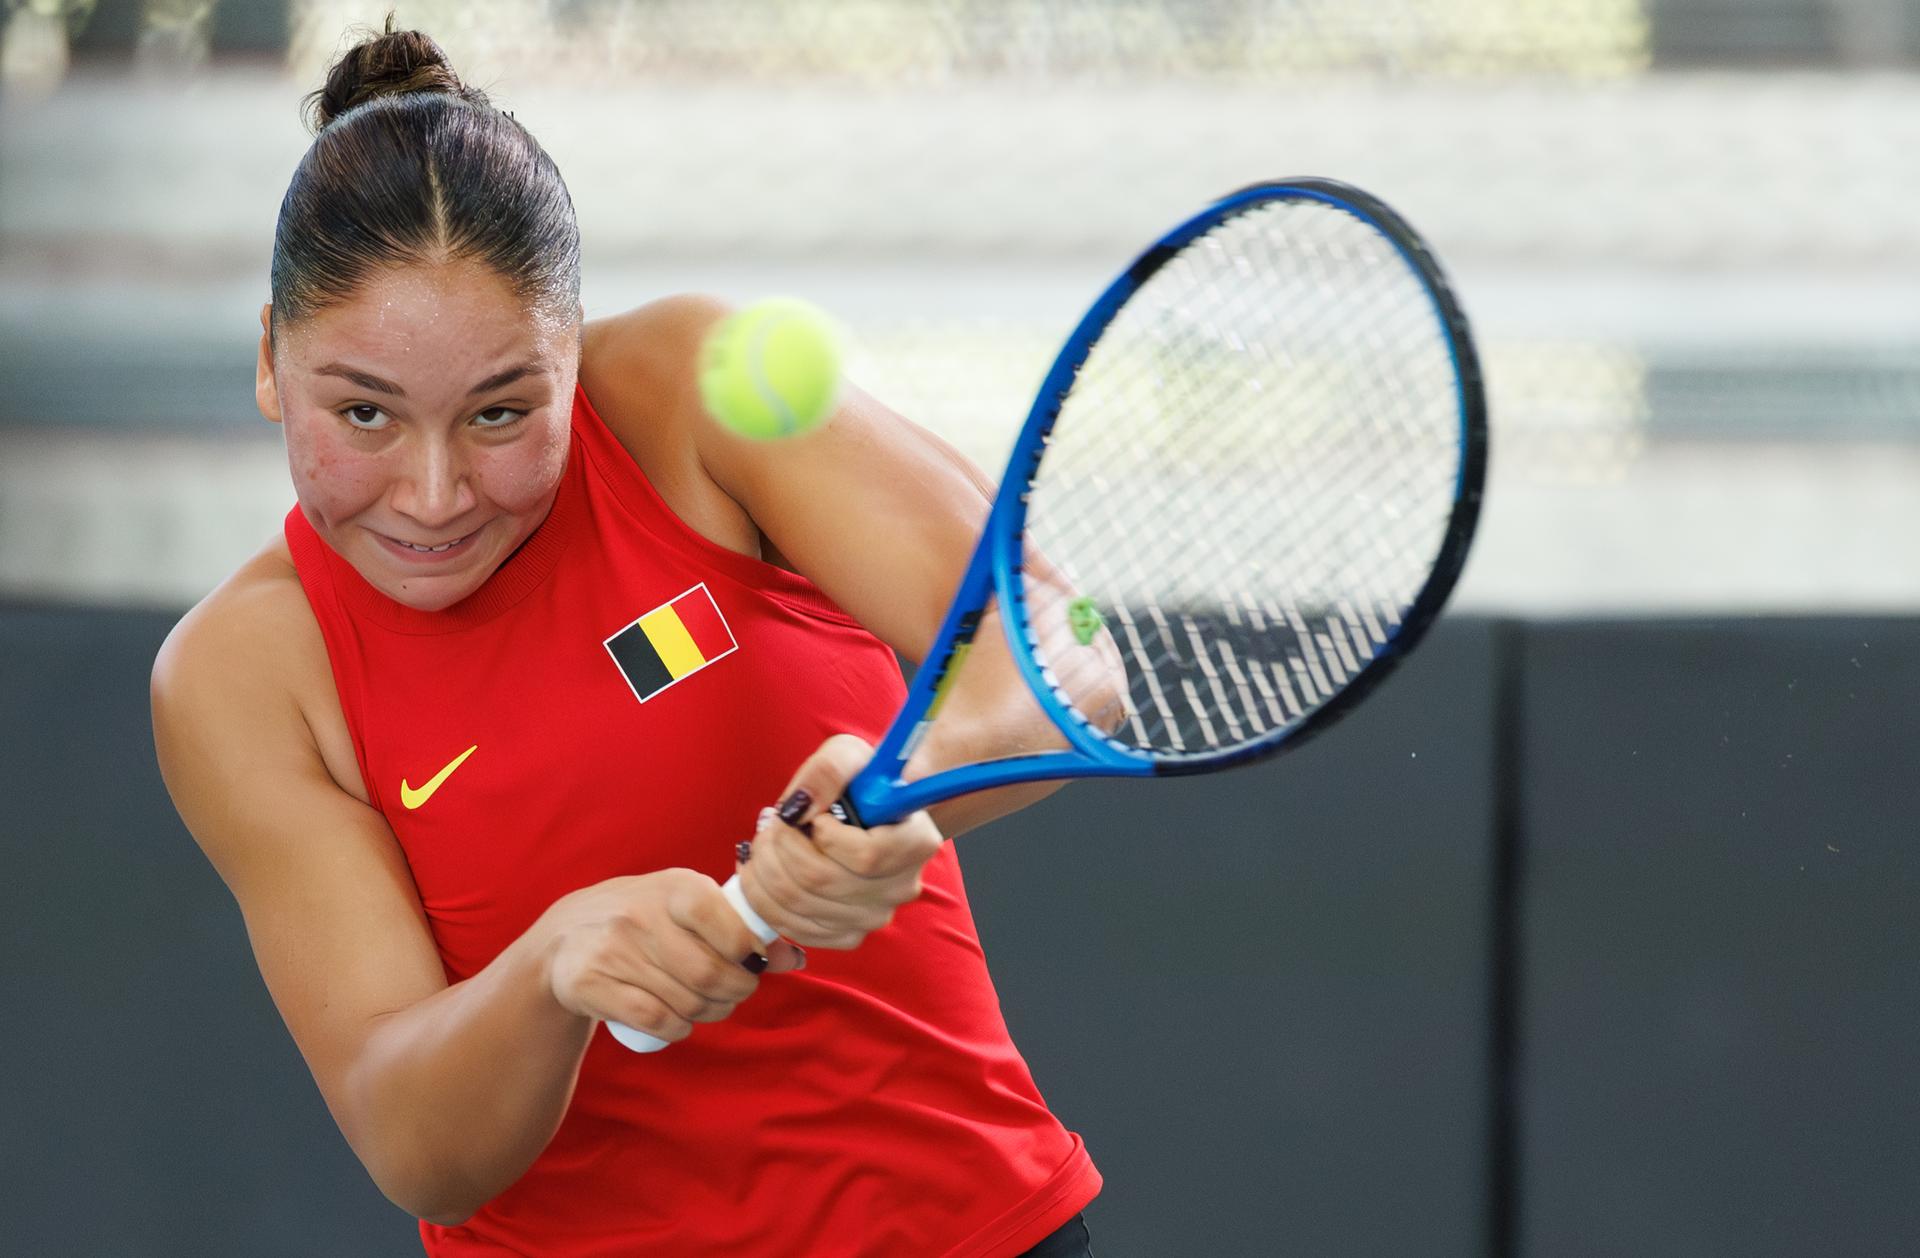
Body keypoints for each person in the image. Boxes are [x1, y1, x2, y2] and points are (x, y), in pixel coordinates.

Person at [150, 20, 1101, 1258]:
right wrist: (552, 971)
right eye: (365, 414)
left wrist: (905, 788)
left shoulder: (697, 381)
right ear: (273, 361)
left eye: (501, 413)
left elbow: (1057, 644)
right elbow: (417, 1146)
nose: (433, 495)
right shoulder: (236, 673)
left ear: (572, 348)